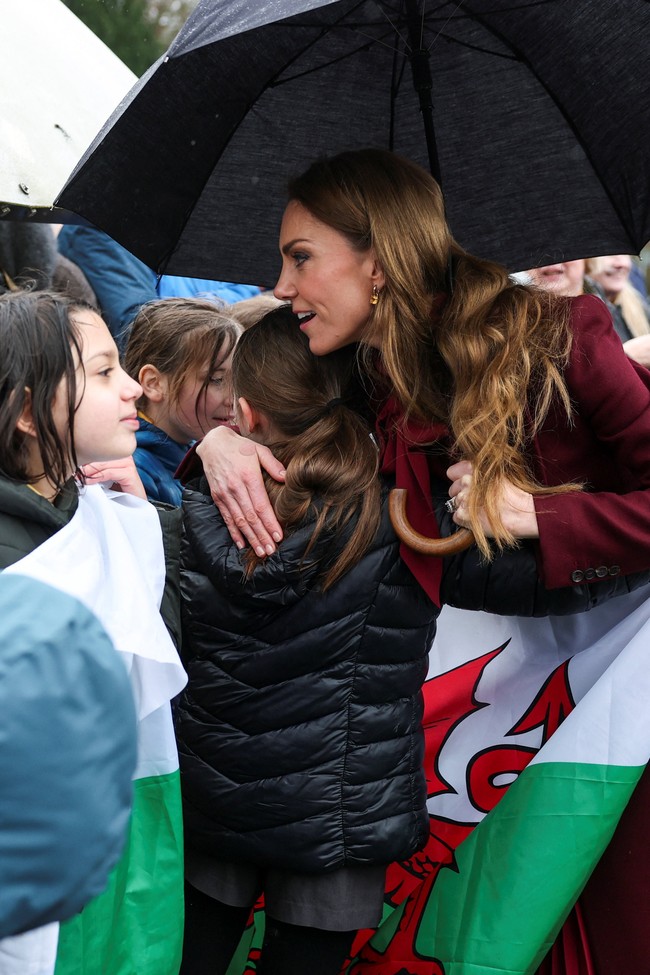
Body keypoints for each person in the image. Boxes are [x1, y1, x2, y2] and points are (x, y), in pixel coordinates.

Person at [194, 148, 650, 974]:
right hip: (445, 703)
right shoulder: (354, 361)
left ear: (379, 261)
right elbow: (269, 422)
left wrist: (541, 513)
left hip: (607, 696)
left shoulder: (567, 333)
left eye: (301, 257)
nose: (283, 284)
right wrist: (221, 441)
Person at [176, 305, 439, 975]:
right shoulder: (410, 519)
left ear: (248, 412)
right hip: (341, 820)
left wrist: (203, 448)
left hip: (210, 810)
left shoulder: (188, 516)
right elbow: (538, 581)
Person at [0, 289, 186, 975]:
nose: (135, 386)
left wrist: (148, 529)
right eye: (104, 371)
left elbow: (157, 672)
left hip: (115, 849)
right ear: (26, 411)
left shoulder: (109, 514)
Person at [123, 297, 241, 505]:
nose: (234, 398)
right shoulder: (130, 470)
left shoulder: (198, 451)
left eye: (239, 379)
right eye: (216, 380)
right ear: (153, 383)